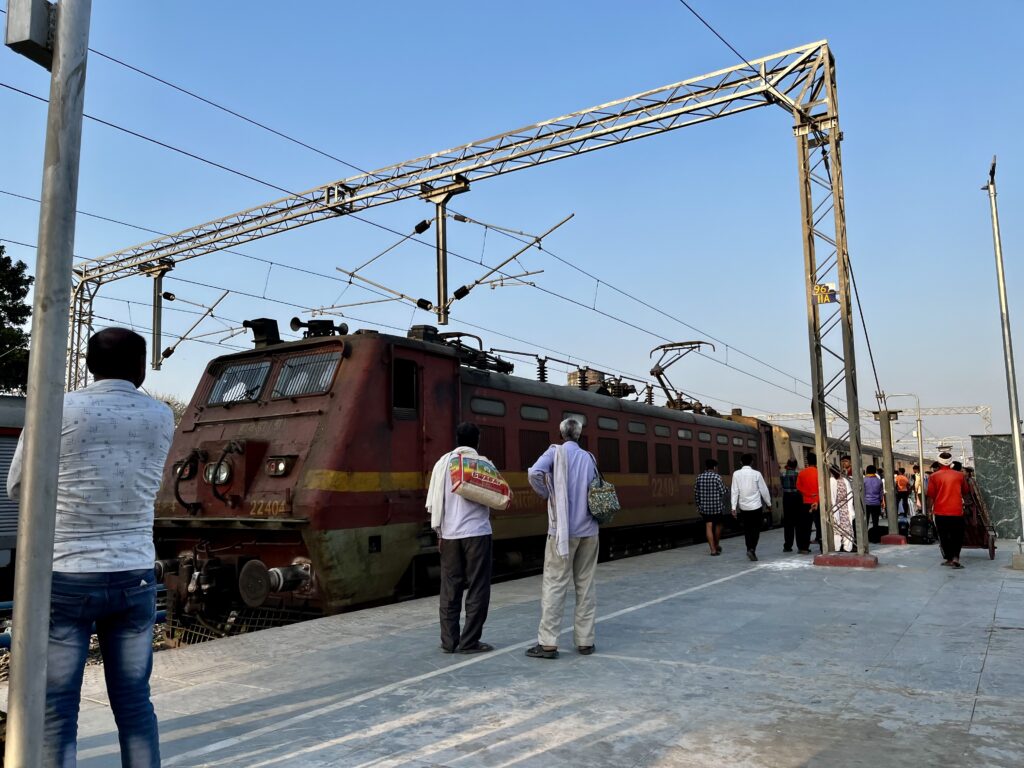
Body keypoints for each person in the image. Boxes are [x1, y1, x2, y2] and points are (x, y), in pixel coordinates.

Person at [6, 328, 174, 767]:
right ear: (140, 367)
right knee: (136, 702)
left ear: (88, 363)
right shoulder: (161, 416)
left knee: (58, 706)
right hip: (136, 576)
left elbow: (18, 486)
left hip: (67, 576)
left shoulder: (57, 409)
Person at [525, 418, 599, 659]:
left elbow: (535, 472)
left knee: (555, 584)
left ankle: (548, 643)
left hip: (563, 532)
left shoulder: (554, 452)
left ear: (561, 433)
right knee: (585, 585)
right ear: (579, 435)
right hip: (589, 531)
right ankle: (585, 642)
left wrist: (548, 492)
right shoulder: (589, 457)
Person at [426, 421, 499, 654]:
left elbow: (435, 501)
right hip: (477, 533)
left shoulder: (442, 464)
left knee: (449, 587)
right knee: (478, 587)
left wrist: (439, 532)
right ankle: (469, 642)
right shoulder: (482, 463)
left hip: (448, 534)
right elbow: (496, 495)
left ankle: (448, 641)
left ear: (457, 439)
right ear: (477, 441)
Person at [927, 451, 970, 568]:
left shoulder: (933, 476)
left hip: (940, 511)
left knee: (944, 535)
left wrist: (929, 511)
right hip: (957, 511)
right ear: (951, 461)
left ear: (939, 462)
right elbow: (965, 491)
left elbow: (931, 495)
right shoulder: (960, 475)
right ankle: (956, 557)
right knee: (957, 535)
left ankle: (949, 558)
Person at [730, 453, 771, 561]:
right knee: (756, 529)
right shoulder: (757, 474)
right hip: (756, 506)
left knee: (747, 529)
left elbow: (734, 491)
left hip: (744, 507)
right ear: (752, 462)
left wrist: (733, 507)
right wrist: (769, 503)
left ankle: (749, 548)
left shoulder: (736, 474)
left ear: (740, 462)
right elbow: (764, 490)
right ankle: (752, 548)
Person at [695, 458, 728, 555]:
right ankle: (716, 544)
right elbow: (722, 492)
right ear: (714, 467)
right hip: (716, 507)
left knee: (708, 526)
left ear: (706, 467)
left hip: (705, 507)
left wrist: (699, 505)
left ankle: (712, 550)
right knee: (718, 525)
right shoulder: (717, 477)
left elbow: (696, 494)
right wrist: (726, 489)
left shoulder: (699, 477)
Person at [795, 453, 820, 554]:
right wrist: (816, 497)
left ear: (807, 461)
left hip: (806, 502)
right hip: (818, 501)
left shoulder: (801, 473)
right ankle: (823, 545)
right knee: (820, 525)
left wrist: (808, 494)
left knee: (805, 526)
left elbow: (798, 487)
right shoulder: (819, 473)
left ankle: (803, 547)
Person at [828, 464, 856, 552]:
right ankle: (847, 548)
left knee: (836, 529)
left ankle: (837, 548)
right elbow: (850, 494)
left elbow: (831, 497)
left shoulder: (831, 480)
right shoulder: (845, 480)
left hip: (836, 508)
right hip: (846, 508)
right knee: (847, 529)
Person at [780, 459, 802, 553]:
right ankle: (800, 545)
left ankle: (788, 546)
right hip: (797, 498)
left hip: (787, 498)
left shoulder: (783, 474)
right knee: (798, 523)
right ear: (795, 465)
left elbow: (782, 485)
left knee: (788, 523)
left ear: (788, 465)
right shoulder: (799, 474)